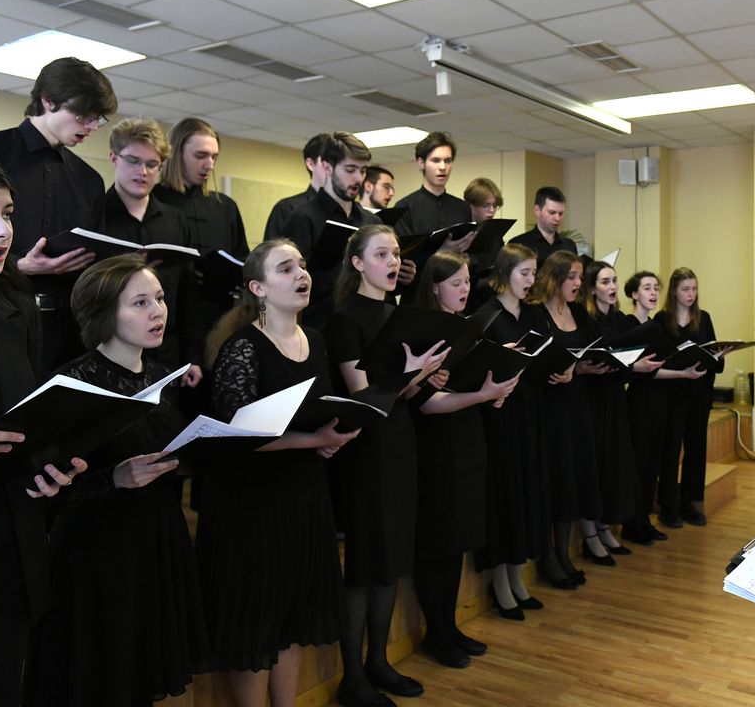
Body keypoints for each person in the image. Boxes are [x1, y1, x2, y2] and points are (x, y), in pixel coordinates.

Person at [31, 255, 207, 706]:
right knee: (100, 676)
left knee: (140, 672)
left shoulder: (161, 376)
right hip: (98, 553)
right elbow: (45, 494)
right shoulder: (72, 382)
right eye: (140, 303)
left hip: (156, 540)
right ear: (105, 313)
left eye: (160, 299)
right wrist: (114, 478)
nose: (158, 311)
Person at [196, 240, 359, 707]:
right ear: (258, 288)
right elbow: (235, 436)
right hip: (250, 504)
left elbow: (313, 414)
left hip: (303, 494)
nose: (301, 274)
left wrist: (328, 437)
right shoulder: (242, 348)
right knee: (256, 622)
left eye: (302, 266)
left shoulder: (316, 340)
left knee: (292, 616)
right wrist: (313, 440)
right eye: (285, 268)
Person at [0, 155, 87, 704]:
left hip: (9, 540)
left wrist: (53, 464)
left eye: (8, 214)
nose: (3, 231)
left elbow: (28, 416)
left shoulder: (14, 306)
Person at [324, 224, 448, 706]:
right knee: (365, 564)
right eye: (381, 254)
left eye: (396, 253)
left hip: (400, 443)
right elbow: (363, 396)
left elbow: (403, 394)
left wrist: (425, 376)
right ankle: (352, 676)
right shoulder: (344, 319)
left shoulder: (396, 313)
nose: (393, 261)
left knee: (391, 559)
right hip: (366, 450)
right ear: (357, 263)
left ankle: (379, 660)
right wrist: (411, 374)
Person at [410, 251, 518, 668]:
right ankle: (436, 634)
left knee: (458, 540)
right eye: (455, 283)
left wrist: (499, 374)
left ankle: (449, 626)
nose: (465, 289)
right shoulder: (424, 331)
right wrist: (481, 394)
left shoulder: (467, 326)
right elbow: (425, 403)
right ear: (434, 287)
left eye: (468, 281)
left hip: (469, 437)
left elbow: (471, 380)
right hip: (436, 445)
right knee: (438, 542)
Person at [0, 56, 116, 369]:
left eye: (98, 119)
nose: (92, 127)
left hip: (68, 329)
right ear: (48, 101)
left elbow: (94, 258)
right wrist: (18, 265)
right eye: (84, 115)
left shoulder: (89, 180)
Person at [474, 244, 547, 619]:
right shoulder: (485, 315)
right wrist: (501, 355)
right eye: (524, 273)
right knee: (503, 496)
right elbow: (474, 368)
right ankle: (499, 582)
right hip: (499, 413)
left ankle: (517, 576)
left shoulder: (532, 312)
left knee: (524, 492)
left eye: (534, 273)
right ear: (504, 274)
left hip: (528, 409)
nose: (531, 280)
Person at [103, 118, 204, 388]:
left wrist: (192, 356)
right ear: (113, 158)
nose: (143, 171)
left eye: (152, 164)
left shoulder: (176, 220)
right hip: (111, 351)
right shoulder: (94, 215)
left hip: (167, 352)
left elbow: (187, 294)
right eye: (133, 161)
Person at [526, 250, 604, 586]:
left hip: (575, 404)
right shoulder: (535, 312)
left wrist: (580, 367)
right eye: (571, 276)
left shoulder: (579, 312)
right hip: (548, 405)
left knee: (571, 478)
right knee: (552, 479)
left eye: (579, 277)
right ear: (555, 277)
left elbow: (594, 346)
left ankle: (563, 552)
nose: (577, 283)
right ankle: (548, 557)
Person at [579, 260, 663, 557]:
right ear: (592, 288)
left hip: (615, 397)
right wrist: (632, 365)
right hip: (593, 399)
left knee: (612, 466)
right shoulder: (587, 318)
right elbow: (595, 361)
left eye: (614, 280)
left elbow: (626, 357)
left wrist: (635, 365)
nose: (612, 287)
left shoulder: (617, 319)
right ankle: (591, 535)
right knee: (595, 466)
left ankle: (604, 528)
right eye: (605, 282)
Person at [618, 271, 703, 545]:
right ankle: (632, 525)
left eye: (656, 287)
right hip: (639, 401)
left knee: (653, 463)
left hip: (660, 399)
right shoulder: (628, 323)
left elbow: (661, 364)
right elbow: (641, 371)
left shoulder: (656, 325)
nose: (653, 292)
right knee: (639, 463)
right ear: (634, 294)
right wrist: (682, 374)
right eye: (646, 288)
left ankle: (644, 521)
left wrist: (683, 371)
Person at [153, 117, 250, 331]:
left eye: (214, 157)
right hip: (167, 322)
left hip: (219, 321)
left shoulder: (225, 207)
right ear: (175, 153)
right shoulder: (152, 201)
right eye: (200, 156)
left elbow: (242, 258)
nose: (210, 165)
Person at [281, 132, 380, 329]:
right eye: (350, 170)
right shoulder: (303, 218)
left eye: (363, 170)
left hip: (367, 323)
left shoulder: (372, 221)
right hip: (321, 326)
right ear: (327, 167)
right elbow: (288, 281)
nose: (358, 178)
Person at [656, 267, 720, 528]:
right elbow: (658, 359)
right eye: (685, 289)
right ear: (674, 291)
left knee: (696, 450)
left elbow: (715, 357)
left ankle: (691, 504)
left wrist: (718, 354)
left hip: (698, 395)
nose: (691, 294)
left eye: (694, 289)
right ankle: (668, 506)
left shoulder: (704, 318)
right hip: (671, 395)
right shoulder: (662, 319)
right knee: (670, 450)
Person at [393, 132, 474, 301]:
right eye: (436, 160)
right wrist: (442, 253)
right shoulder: (405, 207)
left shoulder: (462, 208)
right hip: (417, 297)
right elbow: (405, 260)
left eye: (448, 160)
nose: (443, 167)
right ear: (421, 162)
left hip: (454, 299)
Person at [263, 133, 332, 241]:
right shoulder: (286, 208)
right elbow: (271, 250)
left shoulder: (350, 210)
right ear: (311, 164)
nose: (332, 168)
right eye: (327, 161)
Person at [509, 186, 576, 268]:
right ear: (537, 210)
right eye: (552, 212)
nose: (557, 218)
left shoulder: (569, 245)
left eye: (561, 214)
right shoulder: (519, 244)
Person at [463, 177, 503, 312]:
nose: (492, 210)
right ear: (471, 204)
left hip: (491, 300)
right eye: (486, 205)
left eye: (495, 205)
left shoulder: (496, 234)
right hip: (467, 302)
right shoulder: (461, 234)